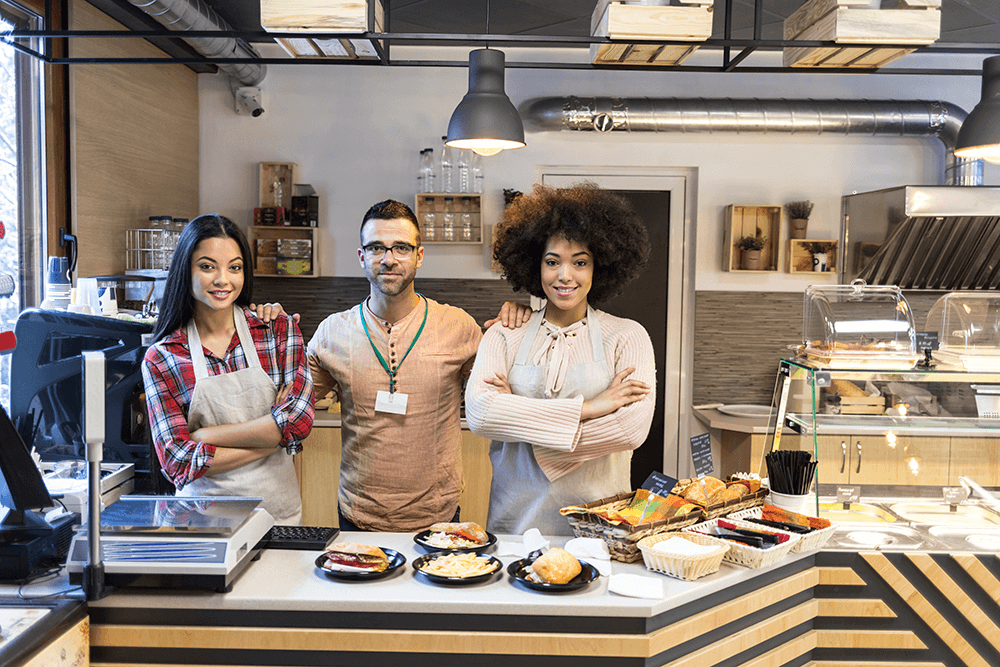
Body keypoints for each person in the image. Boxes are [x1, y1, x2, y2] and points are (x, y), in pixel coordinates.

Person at [305, 199, 531, 532]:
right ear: (361, 257)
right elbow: (289, 404)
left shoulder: (458, 326)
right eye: (376, 248)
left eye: (401, 248)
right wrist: (267, 329)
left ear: (419, 256)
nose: (388, 259)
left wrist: (518, 325)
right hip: (359, 514)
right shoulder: (332, 332)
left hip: (438, 515)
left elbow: (505, 396)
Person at [465, 182, 656, 535]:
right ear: (535, 266)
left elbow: (630, 429)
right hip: (515, 524)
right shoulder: (504, 333)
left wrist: (524, 425)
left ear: (600, 266)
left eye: (579, 262)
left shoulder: (628, 337)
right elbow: (480, 413)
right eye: (552, 261)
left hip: (600, 525)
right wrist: (591, 408)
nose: (565, 275)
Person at [141, 214, 314, 525]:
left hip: (274, 518)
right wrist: (272, 438)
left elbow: (299, 423)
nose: (223, 279)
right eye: (208, 266)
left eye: (235, 267)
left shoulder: (276, 331)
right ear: (186, 270)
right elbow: (178, 461)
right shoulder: (163, 357)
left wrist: (206, 436)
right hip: (197, 525)